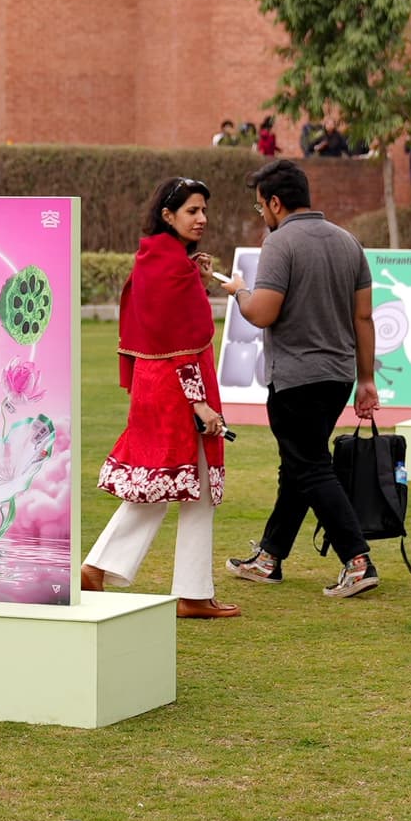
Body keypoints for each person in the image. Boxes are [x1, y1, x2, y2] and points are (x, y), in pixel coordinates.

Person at [221, 159, 383, 599]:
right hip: (338, 377)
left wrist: (238, 291)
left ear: (275, 203)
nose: (262, 214)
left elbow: (262, 312)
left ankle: (357, 560)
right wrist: (366, 379)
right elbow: (364, 318)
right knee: (298, 465)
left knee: (309, 466)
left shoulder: (280, 243)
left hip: (295, 378)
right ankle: (269, 558)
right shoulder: (349, 241)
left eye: (260, 206)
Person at [84, 177, 239, 618]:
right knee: (194, 485)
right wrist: (199, 402)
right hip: (179, 387)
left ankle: (100, 568)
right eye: (192, 211)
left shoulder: (155, 259)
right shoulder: (173, 267)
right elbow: (181, 340)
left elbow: (163, 326)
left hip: (156, 384)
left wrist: (197, 277)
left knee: (165, 481)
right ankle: (190, 593)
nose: (202, 218)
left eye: (204, 210)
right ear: (168, 215)